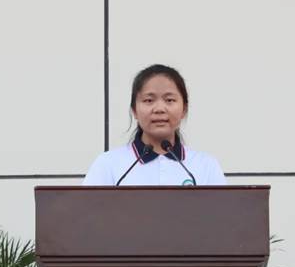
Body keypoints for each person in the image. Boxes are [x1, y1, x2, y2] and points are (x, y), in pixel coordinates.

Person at [83, 64, 226, 186]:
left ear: (184, 109)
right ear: (134, 110)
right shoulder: (107, 165)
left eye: (169, 100)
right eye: (149, 100)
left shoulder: (207, 166)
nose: (159, 109)